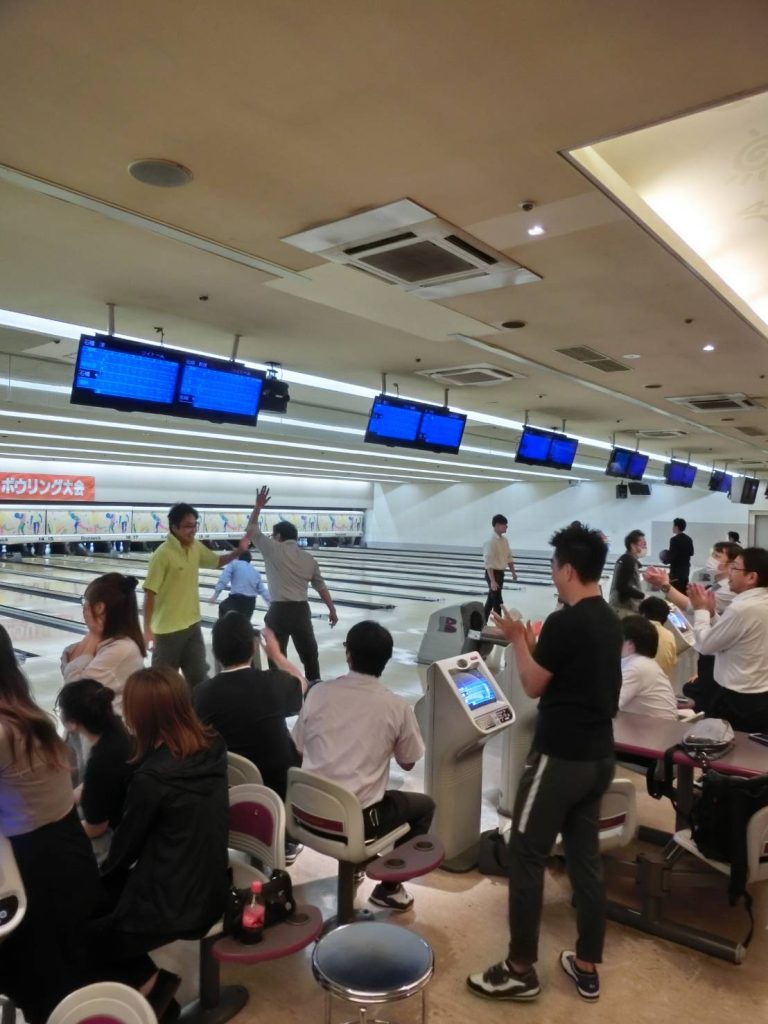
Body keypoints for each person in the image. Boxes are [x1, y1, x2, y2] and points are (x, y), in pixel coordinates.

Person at [467, 523, 622, 1003]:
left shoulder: (565, 621)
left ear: (569, 569)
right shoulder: (609, 619)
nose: (553, 576)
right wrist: (535, 646)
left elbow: (533, 685)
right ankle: (587, 963)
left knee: (528, 854)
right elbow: (568, 675)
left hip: (560, 759)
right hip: (599, 758)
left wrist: (517, 638)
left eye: (555, 568)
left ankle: (519, 968)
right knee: (585, 860)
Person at [89, 667, 229, 1016]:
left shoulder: (152, 778)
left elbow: (124, 852)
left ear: (144, 717)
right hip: (213, 880)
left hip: (178, 903)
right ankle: (156, 987)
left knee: (86, 938)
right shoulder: (213, 743)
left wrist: (99, 883)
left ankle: (156, 992)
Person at [293, 620, 433, 911]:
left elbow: (299, 748)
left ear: (348, 655)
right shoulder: (396, 707)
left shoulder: (317, 693)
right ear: (385, 661)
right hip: (354, 825)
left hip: (303, 815)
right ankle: (389, 889)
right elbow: (408, 763)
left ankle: (356, 866)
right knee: (424, 806)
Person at [0, 625, 102, 1024]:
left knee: (46, 985)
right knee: (58, 977)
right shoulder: (23, 712)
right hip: (65, 855)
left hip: (41, 872)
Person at [194, 612, 306, 801]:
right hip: (278, 793)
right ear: (253, 648)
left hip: (228, 792)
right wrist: (277, 655)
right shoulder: (272, 683)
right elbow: (302, 683)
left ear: (214, 651)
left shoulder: (201, 693)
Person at [143, 501, 255, 688]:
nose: (193, 530)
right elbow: (149, 593)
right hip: (167, 631)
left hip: (192, 625)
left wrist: (239, 551)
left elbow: (217, 561)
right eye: (188, 526)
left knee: (198, 677)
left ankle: (199, 716)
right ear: (174, 527)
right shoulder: (162, 555)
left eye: (195, 525)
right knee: (164, 684)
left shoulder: (195, 547)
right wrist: (147, 631)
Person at [247, 487, 338, 682]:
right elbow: (321, 587)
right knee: (310, 656)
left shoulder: (273, 549)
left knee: (277, 657)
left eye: (273, 535)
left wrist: (257, 507)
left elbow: (251, 530)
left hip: (279, 611)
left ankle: (279, 691)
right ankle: (314, 687)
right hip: (301, 612)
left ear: (278, 536)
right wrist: (332, 609)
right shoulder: (309, 558)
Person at [645, 542, 742, 712]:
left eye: (717, 556)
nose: (711, 560)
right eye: (713, 555)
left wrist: (665, 585)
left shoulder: (728, 590)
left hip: (717, 655)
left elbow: (693, 606)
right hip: (714, 656)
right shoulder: (718, 585)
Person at [684, 548, 768, 730]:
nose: (729, 572)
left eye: (735, 568)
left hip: (739, 701)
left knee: (730, 751)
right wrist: (713, 614)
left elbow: (706, 645)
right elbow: (733, 635)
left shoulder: (744, 608)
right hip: (758, 696)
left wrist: (701, 610)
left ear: (751, 577)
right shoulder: (759, 602)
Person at [56, 678, 133, 852]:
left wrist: (57, 833)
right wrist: (64, 800)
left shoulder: (100, 762)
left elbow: (97, 827)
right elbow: (94, 787)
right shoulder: (117, 726)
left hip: (119, 829)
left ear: (73, 723)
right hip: (127, 807)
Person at [61, 572, 146, 714]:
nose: (84, 608)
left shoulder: (123, 649)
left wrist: (93, 635)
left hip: (109, 734)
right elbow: (67, 663)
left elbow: (74, 694)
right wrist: (93, 633)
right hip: (90, 732)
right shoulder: (106, 641)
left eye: (86, 601)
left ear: (100, 607)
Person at [619, 616, 678, 720]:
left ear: (630, 644)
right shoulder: (645, 664)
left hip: (651, 732)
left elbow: (609, 705)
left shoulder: (636, 667)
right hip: (658, 729)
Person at [208, 549, 271, 619]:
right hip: (250, 603)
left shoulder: (234, 564)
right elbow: (262, 590)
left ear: (238, 557)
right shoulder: (255, 572)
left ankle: (223, 628)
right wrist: (270, 604)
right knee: (244, 624)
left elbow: (224, 579)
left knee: (223, 607)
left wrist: (215, 596)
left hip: (236, 599)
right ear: (250, 560)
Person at [483, 513, 518, 621]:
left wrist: (513, 572)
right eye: (505, 525)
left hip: (500, 574)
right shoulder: (490, 541)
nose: (506, 527)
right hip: (492, 574)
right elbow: (488, 563)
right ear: (497, 525)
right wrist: (492, 581)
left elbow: (509, 557)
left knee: (491, 600)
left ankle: (480, 622)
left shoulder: (504, 540)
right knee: (498, 601)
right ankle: (501, 625)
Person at [637, 596, 678, 680]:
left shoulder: (636, 630)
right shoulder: (669, 635)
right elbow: (673, 662)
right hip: (662, 683)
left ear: (643, 614)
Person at [608, 529, 646, 617]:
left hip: (622, 607)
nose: (645, 547)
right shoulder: (628, 561)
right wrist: (643, 596)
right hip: (623, 609)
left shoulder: (627, 560)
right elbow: (622, 586)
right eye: (642, 544)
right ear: (632, 546)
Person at [668, 518, 694, 592]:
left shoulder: (673, 540)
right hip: (685, 571)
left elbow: (672, 556)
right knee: (683, 591)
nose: (672, 528)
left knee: (675, 592)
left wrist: (665, 559)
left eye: (673, 526)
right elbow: (691, 553)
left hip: (676, 572)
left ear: (676, 527)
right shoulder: (689, 539)